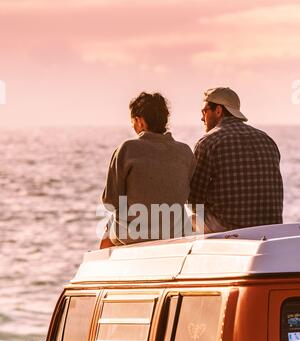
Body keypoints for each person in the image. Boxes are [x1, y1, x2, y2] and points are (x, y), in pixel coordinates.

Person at [100, 92, 196, 247]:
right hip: (177, 233)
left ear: (140, 121)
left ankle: (102, 270)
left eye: (133, 121)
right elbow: (189, 196)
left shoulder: (127, 149)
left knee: (108, 227)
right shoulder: (185, 151)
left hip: (133, 235)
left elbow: (110, 202)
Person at [188, 87, 283, 234]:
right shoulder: (267, 139)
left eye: (204, 111)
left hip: (229, 229)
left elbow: (194, 200)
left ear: (218, 110)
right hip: (271, 228)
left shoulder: (208, 142)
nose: (202, 118)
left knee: (182, 216)